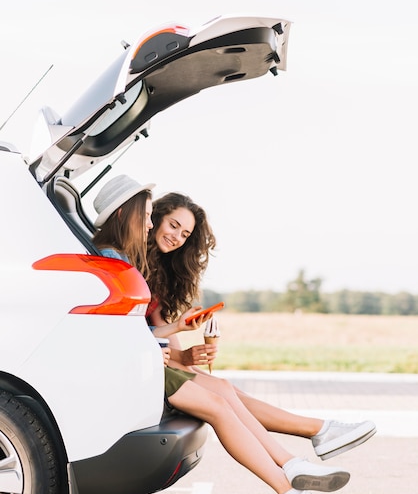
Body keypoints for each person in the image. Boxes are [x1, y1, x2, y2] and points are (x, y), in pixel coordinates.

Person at [92, 174, 350, 494]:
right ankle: (289, 484)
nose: (153, 225)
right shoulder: (113, 261)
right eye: (151, 216)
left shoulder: (122, 259)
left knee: (223, 392)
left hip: (148, 358)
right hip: (139, 364)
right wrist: (168, 346)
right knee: (218, 405)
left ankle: (291, 469)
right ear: (124, 215)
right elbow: (119, 330)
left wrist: (179, 334)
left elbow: (136, 328)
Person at [146, 192, 376, 461]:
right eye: (174, 226)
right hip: (146, 360)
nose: (177, 237)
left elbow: (163, 333)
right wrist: (181, 356)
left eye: (185, 234)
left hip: (155, 355)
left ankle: (318, 432)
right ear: (156, 218)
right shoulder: (135, 262)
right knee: (221, 388)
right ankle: (315, 434)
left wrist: (186, 356)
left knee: (224, 387)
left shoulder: (158, 271)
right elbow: (150, 338)